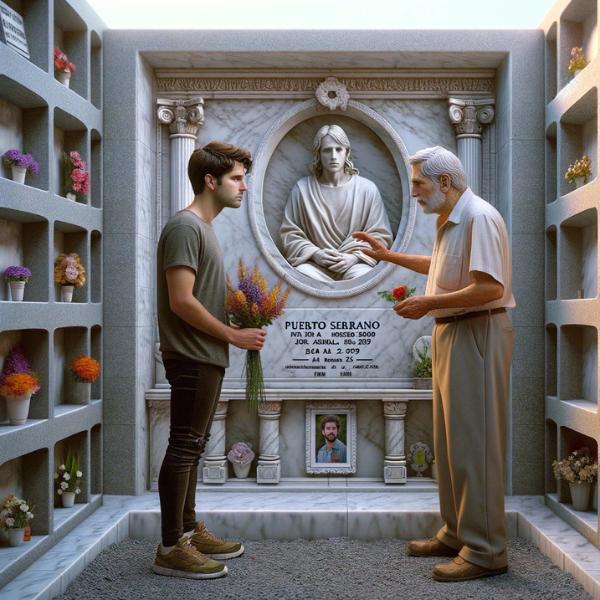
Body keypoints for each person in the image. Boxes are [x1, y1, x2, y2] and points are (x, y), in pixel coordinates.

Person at [354, 146, 515, 582]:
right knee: (451, 442)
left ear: (444, 182)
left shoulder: (478, 216)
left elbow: (488, 288)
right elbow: (440, 267)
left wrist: (427, 304)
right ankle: (458, 532)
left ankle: (485, 550)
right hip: (455, 331)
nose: (415, 194)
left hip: (477, 330)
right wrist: (387, 257)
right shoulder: (454, 220)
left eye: (419, 185)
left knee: (475, 443)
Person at [154, 142, 267, 580]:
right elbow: (181, 301)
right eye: (237, 178)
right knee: (184, 446)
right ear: (210, 180)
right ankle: (170, 547)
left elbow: (196, 297)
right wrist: (234, 335)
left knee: (193, 446)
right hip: (191, 356)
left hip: (205, 356)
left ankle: (187, 531)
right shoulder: (186, 227)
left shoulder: (203, 228)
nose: (243, 187)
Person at [280, 124, 393, 282]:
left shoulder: (367, 189)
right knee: (301, 274)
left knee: (362, 277)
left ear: (347, 152)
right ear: (318, 153)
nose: (333, 156)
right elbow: (290, 235)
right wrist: (316, 254)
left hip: (355, 265)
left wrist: (353, 258)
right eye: (327, 150)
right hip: (315, 266)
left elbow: (381, 236)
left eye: (338, 149)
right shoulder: (303, 189)